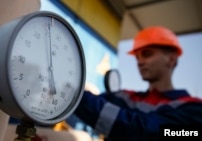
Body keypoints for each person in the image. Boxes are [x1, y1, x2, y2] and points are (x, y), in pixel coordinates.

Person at [74, 26, 202, 141]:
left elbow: (150, 131)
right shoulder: (125, 97)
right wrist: (76, 89)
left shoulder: (193, 108)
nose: (140, 62)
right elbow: (95, 100)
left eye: (147, 54)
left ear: (171, 59)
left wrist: (72, 96)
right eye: (137, 57)